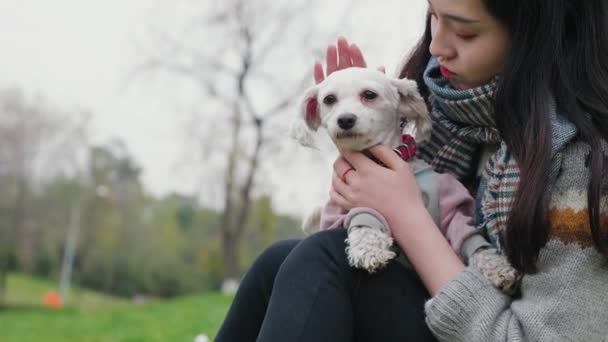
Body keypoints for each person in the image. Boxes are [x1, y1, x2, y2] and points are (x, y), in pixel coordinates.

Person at [216, 0, 608, 341]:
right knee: (281, 260)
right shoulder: (446, 118)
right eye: (433, 16)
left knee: (326, 258)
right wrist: (367, 137)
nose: (437, 46)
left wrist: (408, 216)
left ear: (534, 34)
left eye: (465, 33)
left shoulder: (583, 164)